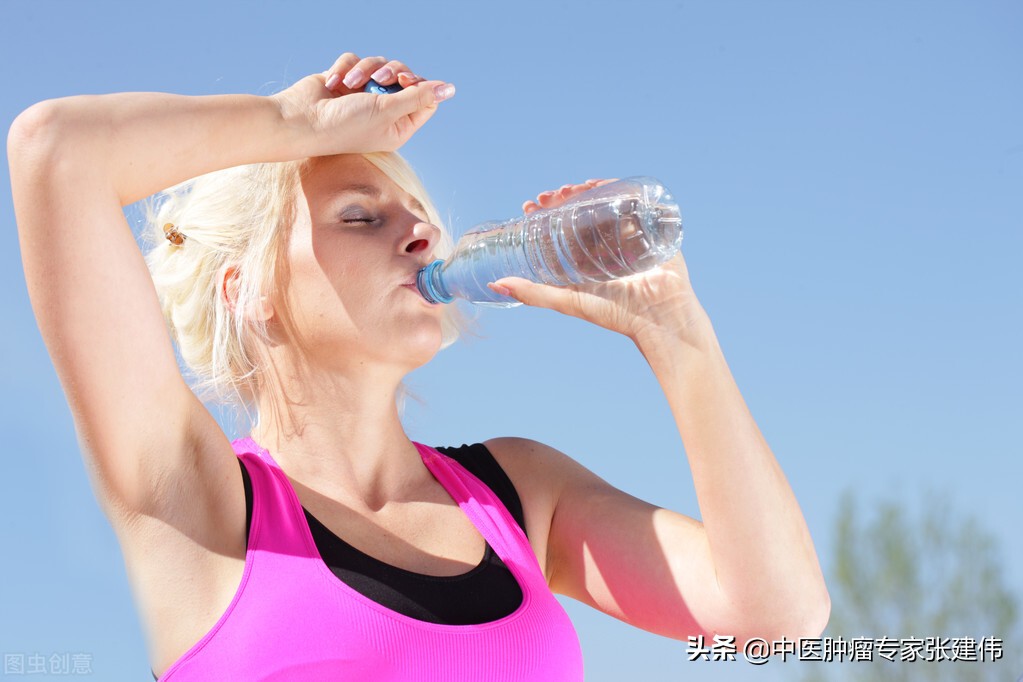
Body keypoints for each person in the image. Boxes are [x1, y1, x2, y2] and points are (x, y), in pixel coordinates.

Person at [9, 52, 830, 680]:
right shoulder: (197, 501)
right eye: (360, 215)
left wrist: (678, 337)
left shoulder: (518, 495)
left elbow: (777, 616)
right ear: (247, 288)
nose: (420, 237)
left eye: (423, 220)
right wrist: (291, 125)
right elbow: (57, 152)